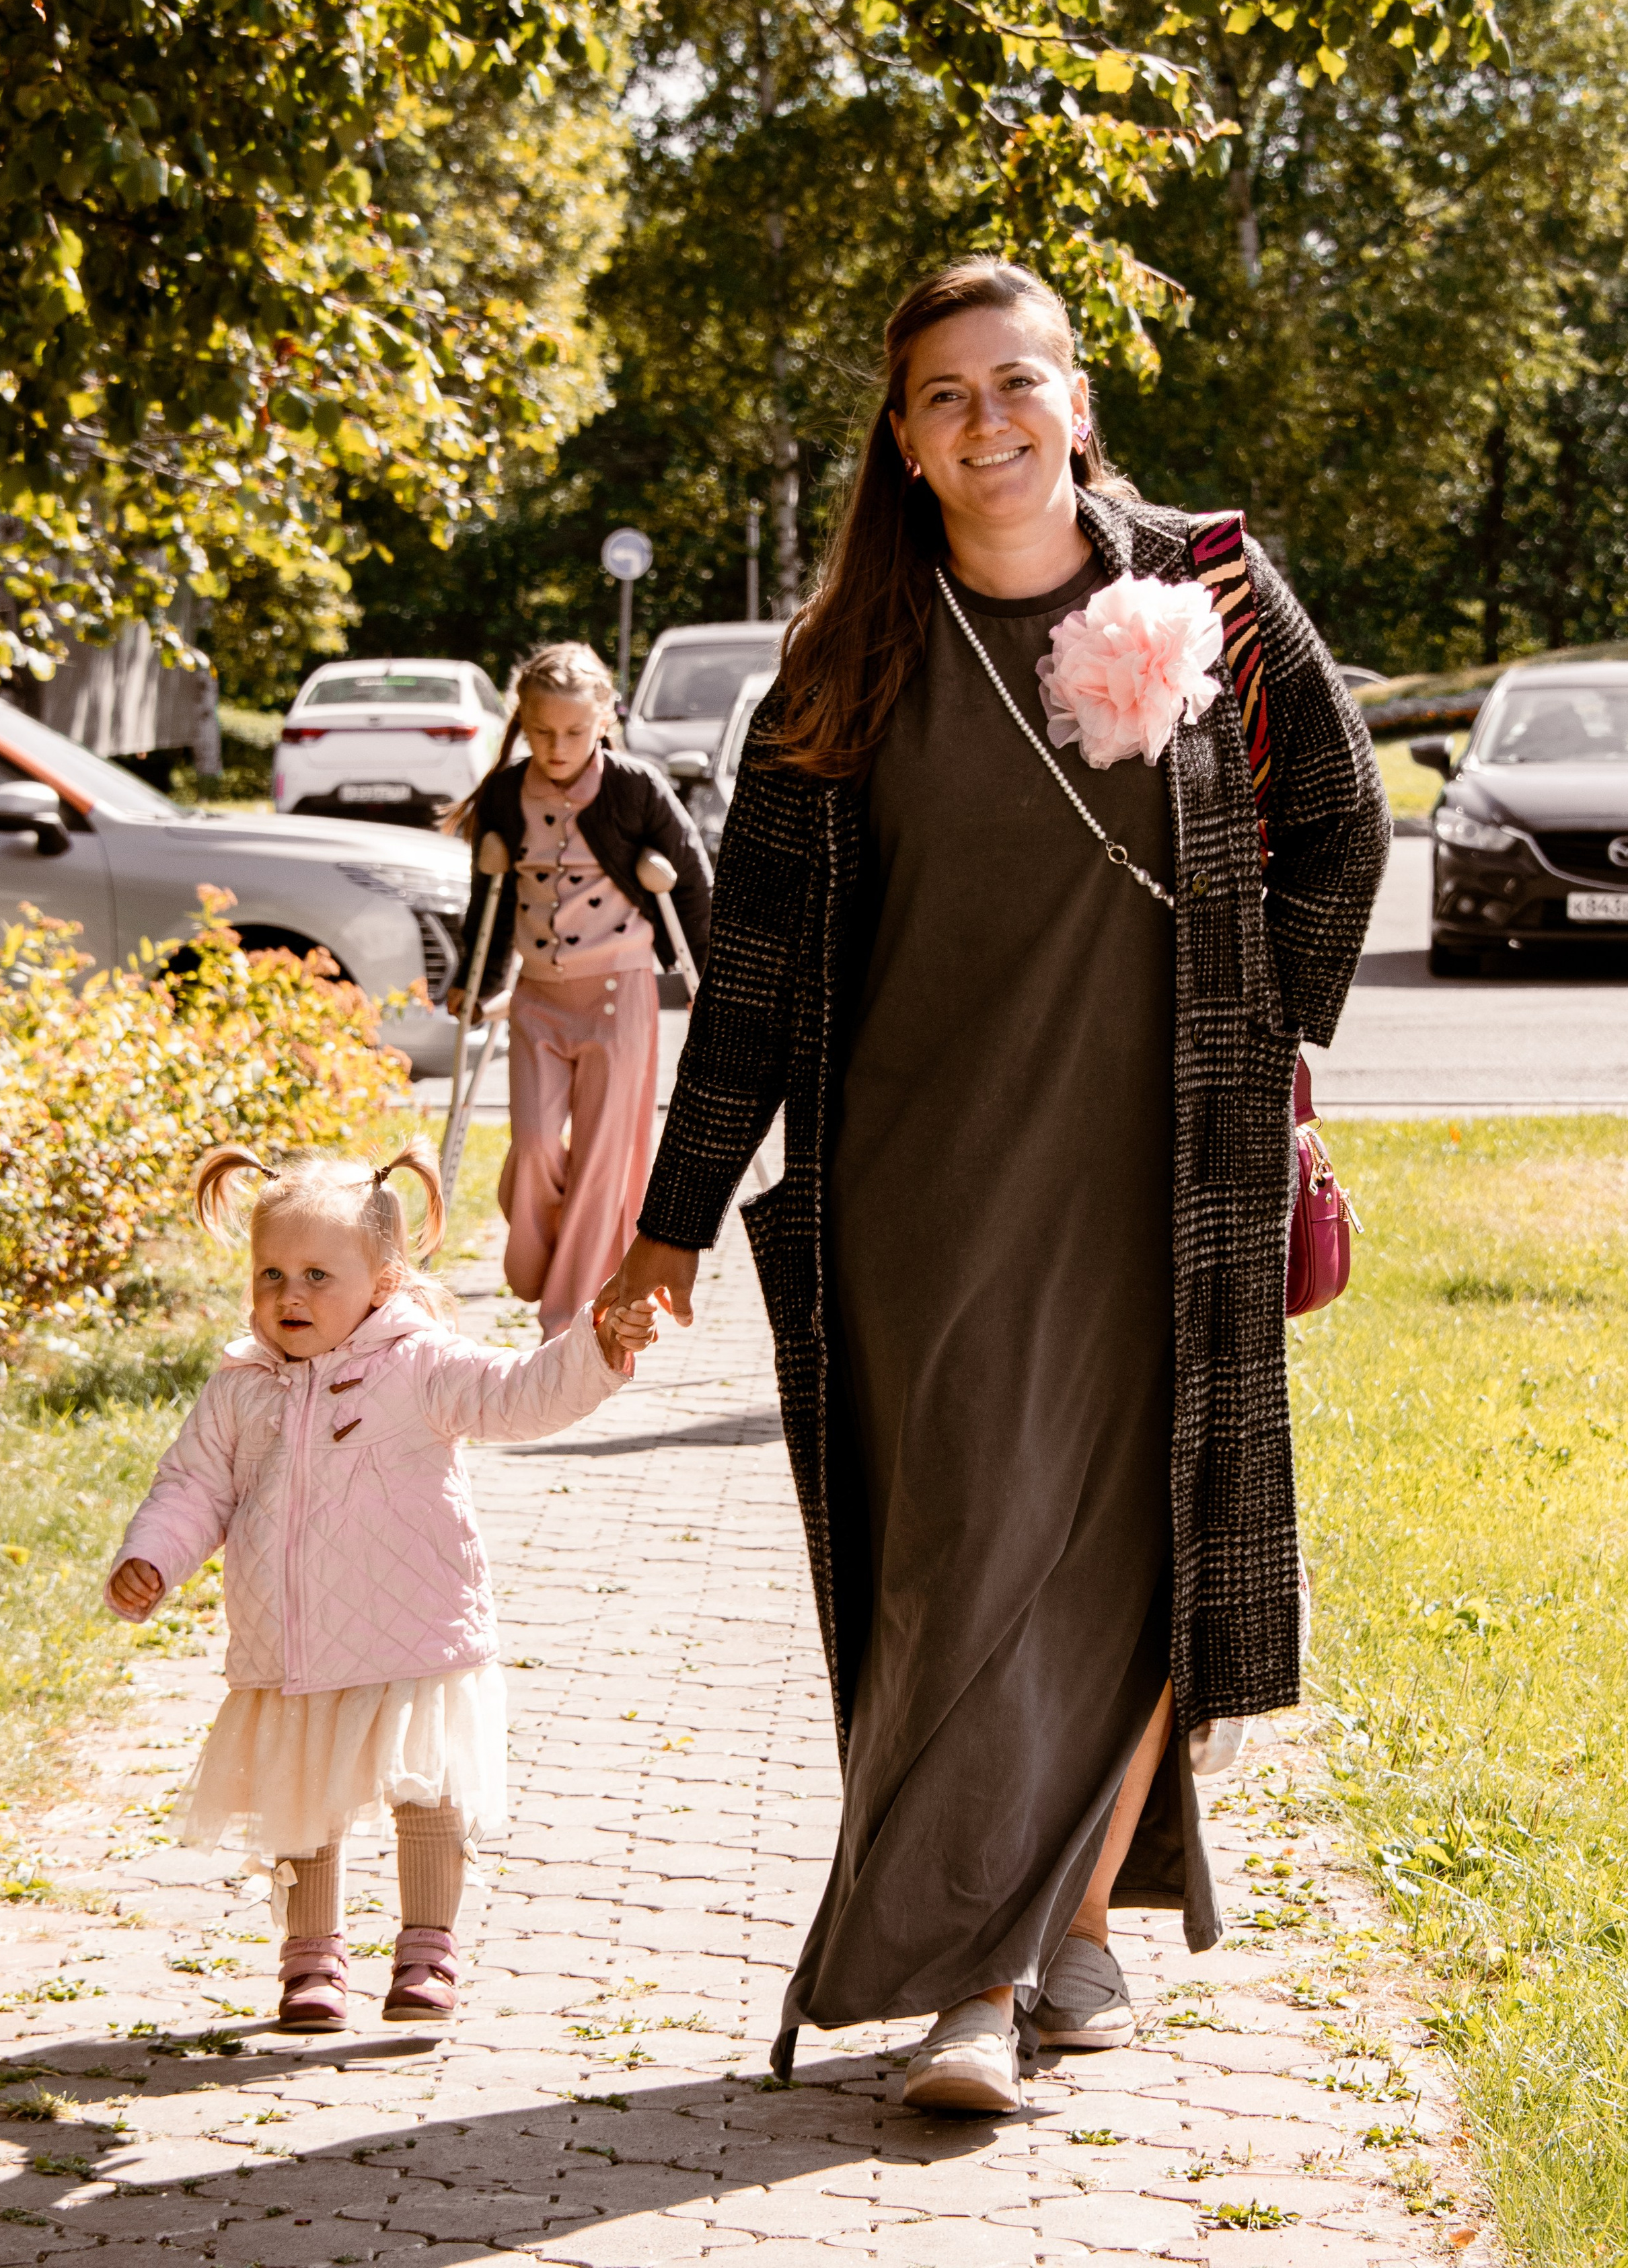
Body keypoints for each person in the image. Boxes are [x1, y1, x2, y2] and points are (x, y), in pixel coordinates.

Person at [601, 256, 1389, 2114]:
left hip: (1161, 1170)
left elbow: (1343, 824)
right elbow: (766, 969)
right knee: (956, 1566)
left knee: (1140, 1548)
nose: (987, 419)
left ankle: (1057, 1944)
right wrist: (670, 1217)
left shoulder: (1207, 591)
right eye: (944, 396)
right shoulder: (844, 656)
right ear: (904, 439)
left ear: (1077, 402)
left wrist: (1247, 1027)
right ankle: (972, 1963)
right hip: (917, 1185)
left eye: (1016, 380)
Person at [106, 1139, 659, 2034]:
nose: (291, 1296)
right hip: (292, 1643)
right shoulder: (241, 1387)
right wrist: (153, 1558)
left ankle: (427, 1952)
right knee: (301, 1802)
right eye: (272, 1273)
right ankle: (311, 1966)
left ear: (383, 1279)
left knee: (427, 1789)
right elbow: (194, 1486)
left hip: (412, 1632)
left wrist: (591, 1345)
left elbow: (518, 1394)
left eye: (319, 1275)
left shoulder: (421, 1367)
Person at [449, 641, 711, 1341]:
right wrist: (472, 981)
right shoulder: (507, 792)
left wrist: (709, 980)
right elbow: (488, 895)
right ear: (522, 723)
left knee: (602, 1156)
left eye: (571, 732)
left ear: (603, 721)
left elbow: (689, 879)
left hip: (617, 994)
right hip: (538, 997)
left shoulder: (633, 786)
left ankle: (569, 1312)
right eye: (540, 732)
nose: (555, 746)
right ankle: (540, 1260)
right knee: (534, 1143)